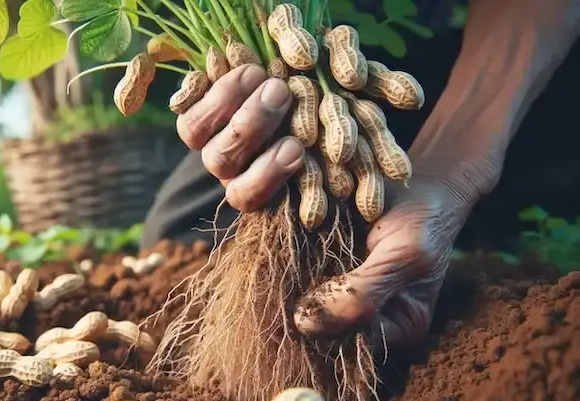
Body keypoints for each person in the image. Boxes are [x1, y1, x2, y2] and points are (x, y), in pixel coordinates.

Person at [140, 0, 580, 348]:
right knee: (180, 235)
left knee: (552, 165)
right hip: (313, 77)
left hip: (472, 46)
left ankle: (475, 250)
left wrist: (452, 174)